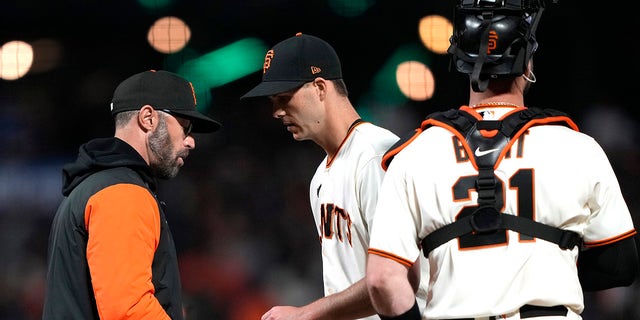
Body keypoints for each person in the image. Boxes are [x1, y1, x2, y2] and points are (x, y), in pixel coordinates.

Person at [366, 1, 639, 320]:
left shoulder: (413, 154)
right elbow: (619, 265)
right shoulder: (577, 147)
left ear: (460, 62)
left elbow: (382, 279)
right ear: (528, 65)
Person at [241, 33, 429, 320]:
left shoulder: (376, 156)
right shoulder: (320, 177)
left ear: (319, 87)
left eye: (285, 97)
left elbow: (400, 276)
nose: (277, 112)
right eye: (273, 101)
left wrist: (307, 313)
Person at [42, 69, 221, 319]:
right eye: (185, 127)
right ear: (148, 118)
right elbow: (128, 310)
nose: (191, 141)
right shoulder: (122, 193)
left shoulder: (96, 185)